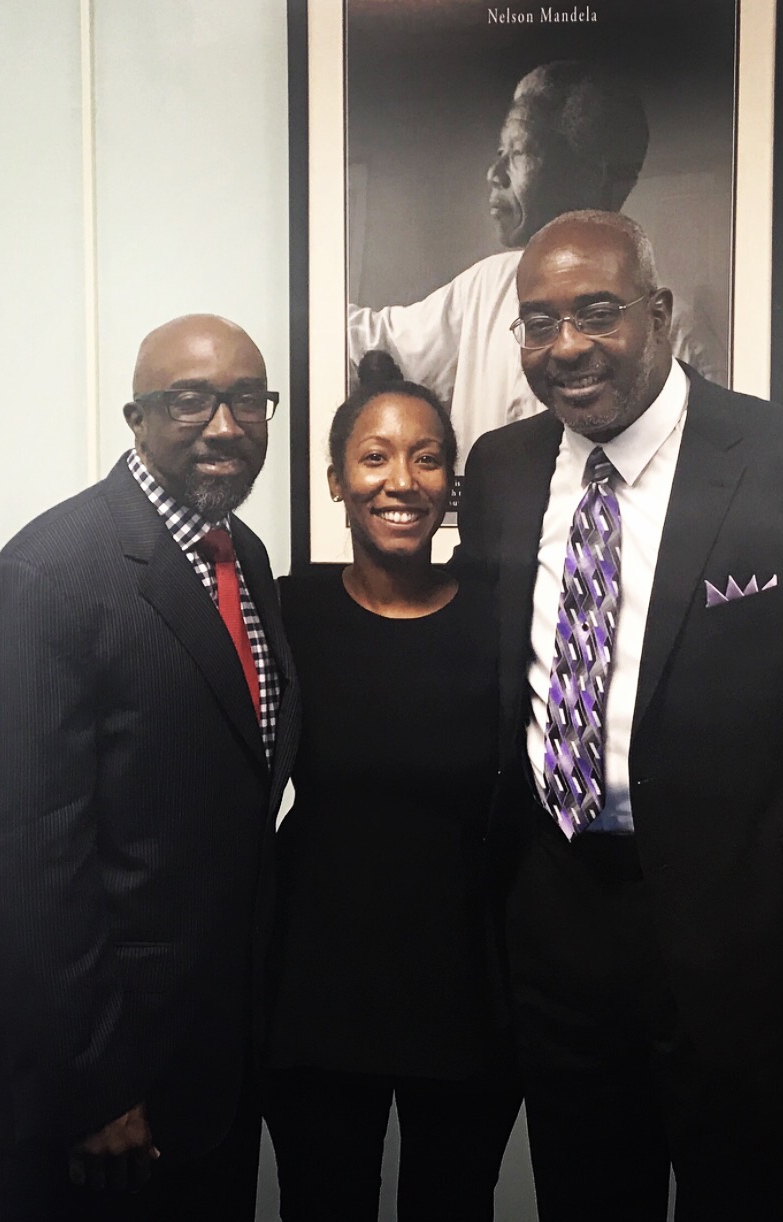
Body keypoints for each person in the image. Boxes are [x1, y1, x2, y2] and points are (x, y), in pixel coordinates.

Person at [454, 211, 783, 1221]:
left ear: (660, 313)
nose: (566, 346)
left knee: (746, 1196)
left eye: (597, 311)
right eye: (538, 322)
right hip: (558, 927)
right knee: (585, 1196)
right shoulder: (498, 470)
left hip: (750, 936)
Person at [0, 314, 300, 1222]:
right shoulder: (49, 574)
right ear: (136, 418)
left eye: (248, 400)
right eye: (189, 401)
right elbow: (20, 858)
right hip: (98, 1097)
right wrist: (95, 1083)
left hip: (211, 1075)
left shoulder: (243, 556)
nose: (225, 425)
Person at [262, 352, 520, 1221]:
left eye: (426, 457)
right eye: (373, 457)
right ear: (337, 481)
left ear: (451, 484)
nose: (401, 481)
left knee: (455, 1204)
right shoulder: (288, 611)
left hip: (469, 987)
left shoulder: (502, 613)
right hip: (315, 986)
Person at [348, 60, 726, 478]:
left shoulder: (678, 333)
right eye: (499, 154)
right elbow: (362, 341)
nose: (494, 174)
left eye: (519, 153)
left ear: (591, 174)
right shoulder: (486, 288)